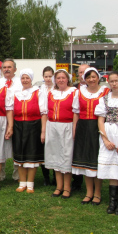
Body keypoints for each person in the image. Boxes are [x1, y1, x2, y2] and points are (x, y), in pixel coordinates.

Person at [95, 71, 118, 214]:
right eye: (111, 81)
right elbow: (100, 120)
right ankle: (113, 202)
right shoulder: (104, 99)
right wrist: (105, 139)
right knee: (112, 169)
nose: (114, 84)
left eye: (116, 81)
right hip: (108, 135)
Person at [72, 67, 110, 205]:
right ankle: (88, 192)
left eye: (94, 76)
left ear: (98, 77)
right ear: (85, 79)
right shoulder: (80, 92)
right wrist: (75, 129)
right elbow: (76, 112)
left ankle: (98, 193)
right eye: (88, 77)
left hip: (97, 127)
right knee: (85, 160)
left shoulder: (105, 91)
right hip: (83, 126)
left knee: (95, 160)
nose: (91, 79)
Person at [43, 69, 78, 199]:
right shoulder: (51, 92)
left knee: (66, 156)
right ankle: (59, 186)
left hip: (67, 126)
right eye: (58, 78)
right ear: (55, 80)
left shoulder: (74, 92)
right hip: (52, 126)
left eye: (63, 78)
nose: (61, 80)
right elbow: (46, 112)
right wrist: (45, 129)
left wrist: (74, 128)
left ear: (67, 79)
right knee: (55, 155)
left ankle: (67, 188)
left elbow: (76, 112)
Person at [12, 69, 47, 193]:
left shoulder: (38, 92)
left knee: (32, 156)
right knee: (20, 156)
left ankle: (30, 184)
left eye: (27, 78)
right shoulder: (16, 93)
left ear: (31, 79)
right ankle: (22, 183)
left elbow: (43, 113)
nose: (25, 80)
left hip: (34, 126)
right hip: (18, 126)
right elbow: (11, 112)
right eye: (23, 78)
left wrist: (43, 131)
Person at [0, 58, 20, 181]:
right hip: (1, 117)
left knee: (16, 146)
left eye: (9, 67)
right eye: (4, 67)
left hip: (16, 117)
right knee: (0, 145)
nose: (6, 69)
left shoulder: (20, 82)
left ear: (15, 69)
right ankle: (0, 174)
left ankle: (17, 174)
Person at [71, 63, 89, 192]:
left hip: (91, 124)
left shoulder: (99, 89)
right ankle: (76, 182)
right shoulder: (73, 88)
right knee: (75, 152)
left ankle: (91, 180)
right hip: (77, 123)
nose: (82, 75)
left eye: (85, 72)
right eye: (81, 72)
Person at [38, 66, 55, 186]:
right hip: (42, 120)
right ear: (43, 77)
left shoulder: (57, 89)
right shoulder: (39, 89)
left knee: (54, 149)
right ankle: (46, 177)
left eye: (50, 76)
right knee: (43, 148)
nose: (48, 79)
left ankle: (55, 176)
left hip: (54, 121)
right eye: (46, 76)